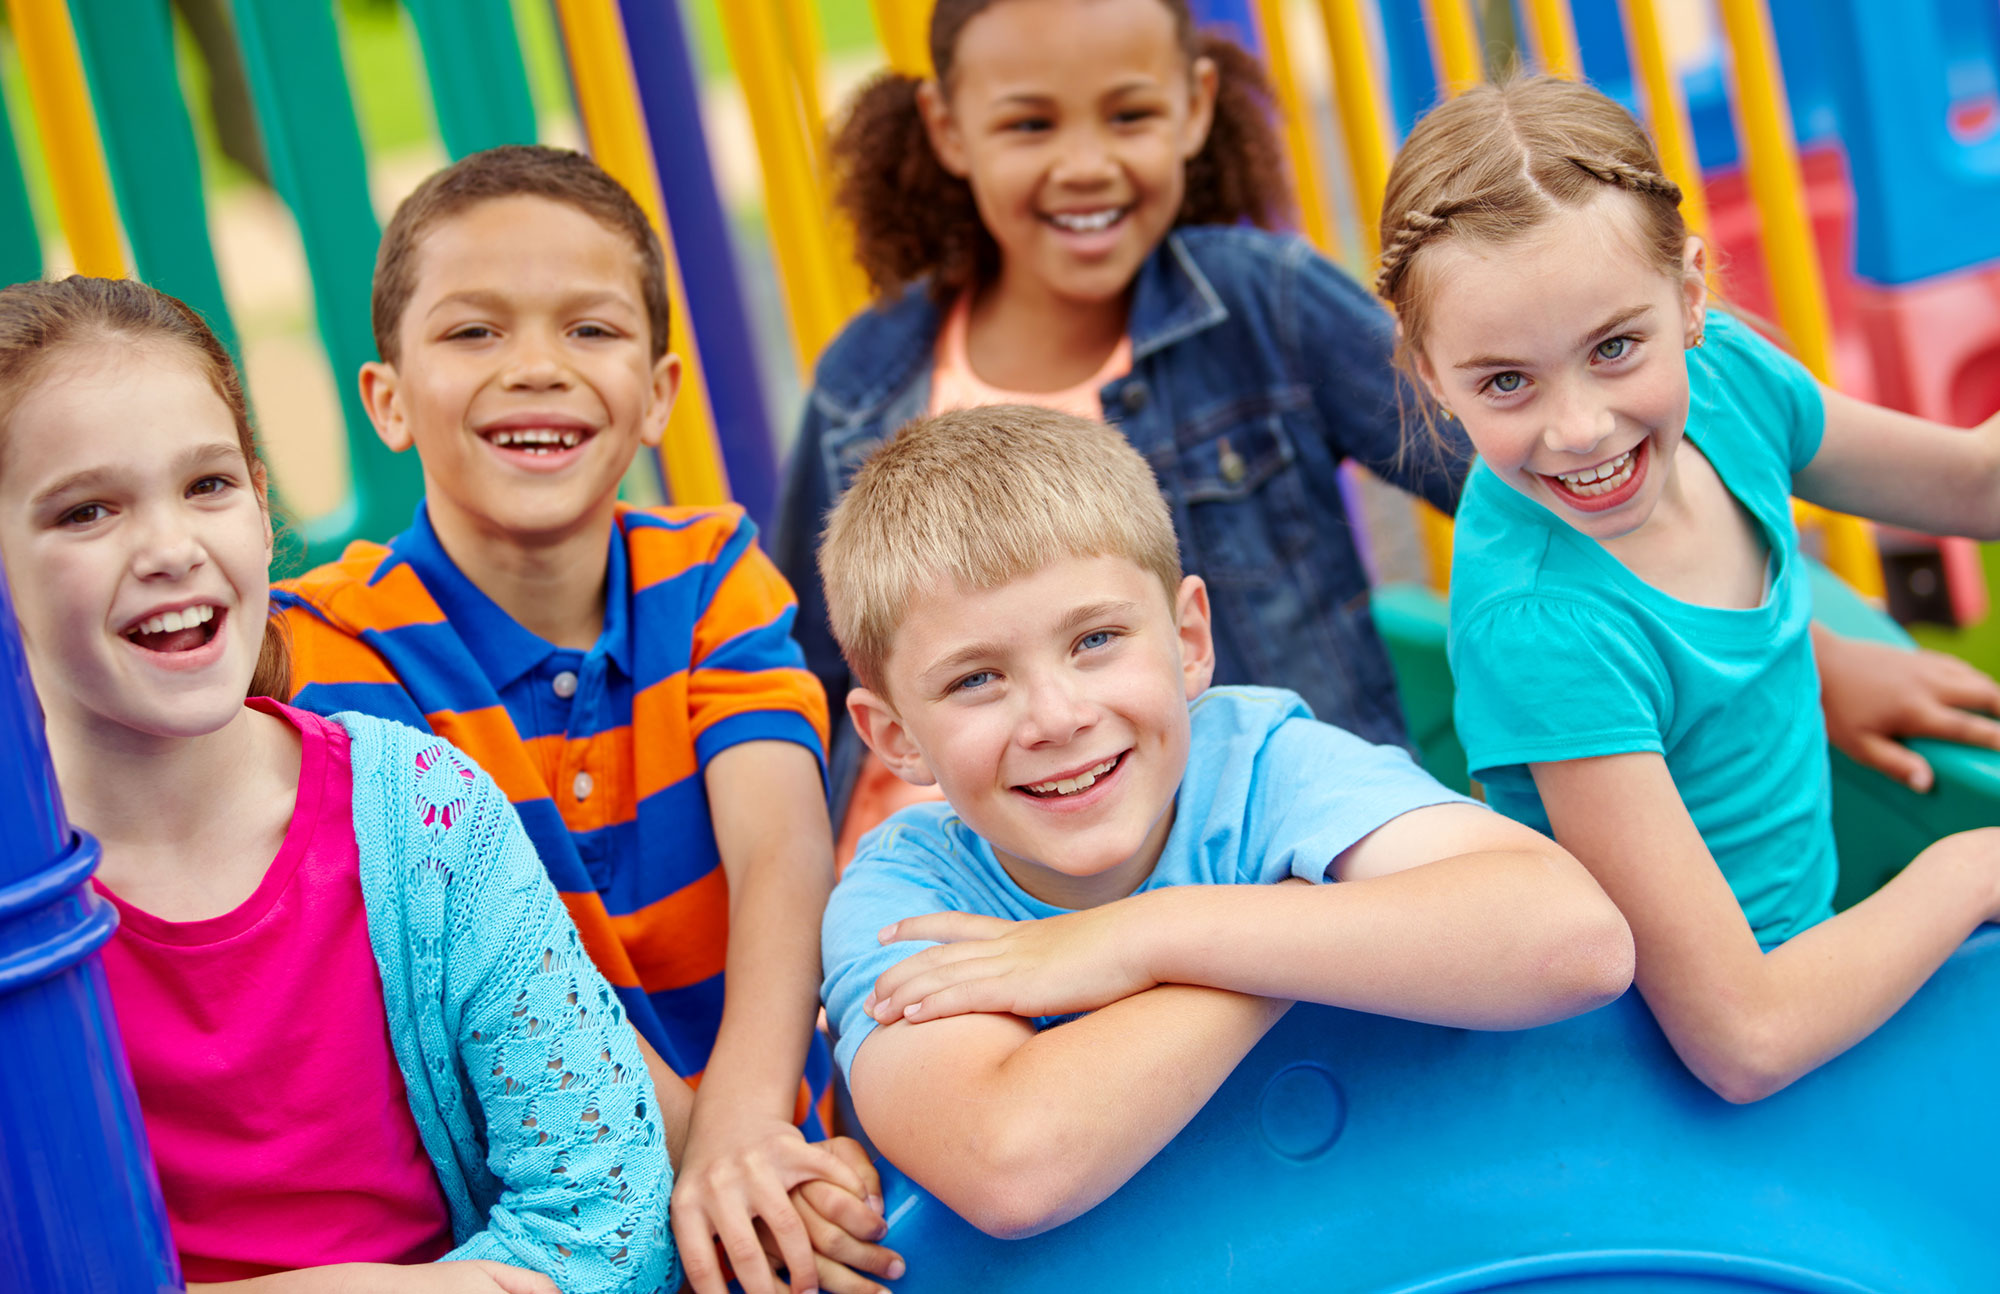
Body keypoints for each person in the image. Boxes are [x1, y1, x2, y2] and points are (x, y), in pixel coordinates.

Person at [778, 0, 2000, 863]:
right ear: (945, 129)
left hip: (1272, 843)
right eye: (1030, 125)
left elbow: (1561, 468)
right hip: (973, 849)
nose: (1084, 164)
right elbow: (817, 669)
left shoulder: (1256, 301)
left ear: (1196, 106)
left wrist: (1808, 656)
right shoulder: (866, 382)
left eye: (1128, 114)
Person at [271, 147, 897, 1294]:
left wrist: (751, 1132)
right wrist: (720, 1160)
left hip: (774, 1143)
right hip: (558, 1205)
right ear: (389, 400)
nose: (536, 369)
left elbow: (781, 856)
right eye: (473, 333)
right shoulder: (334, 644)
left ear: (657, 394)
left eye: (589, 331)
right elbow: (500, 985)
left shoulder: (708, 572)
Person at [815, 404, 1635, 1236]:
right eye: (975, 681)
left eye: (1095, 639)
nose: (1056, 718)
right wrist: (1294, 944)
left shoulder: (1260, 762)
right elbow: (1011, 1164)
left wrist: (1147, 937)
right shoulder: (905, 899)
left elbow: (1576, 942)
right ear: (894, 737)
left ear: (1189, 637)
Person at [0, 275, 671, 1291]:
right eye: (87, 510)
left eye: (208, 486)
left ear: (264, 510)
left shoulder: (424, 813)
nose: (172, 549)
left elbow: (610, 1219)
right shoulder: (21, 892)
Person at [1378, 75, 2000, 1104]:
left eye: (1613, 348)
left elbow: (1974, 482)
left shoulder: (1728, 387)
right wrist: (1970, 868)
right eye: (1503, 381)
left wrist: (1812, 663)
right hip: (1660, 1086)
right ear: (1427, 372)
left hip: (1809, 972)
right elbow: (1740, 1035)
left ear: (1691, 296)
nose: (1576, 428)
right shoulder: (1542, 627)